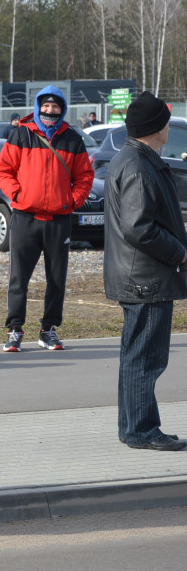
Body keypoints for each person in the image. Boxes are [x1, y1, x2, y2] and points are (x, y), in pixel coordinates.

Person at [104, 92, 187, 451]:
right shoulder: (138, 165)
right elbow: (139, 227)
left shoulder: (132, 158)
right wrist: (180, 254)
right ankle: (141, 430)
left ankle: (133, 427)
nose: (169, 125)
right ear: (158, 127)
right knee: (146, 359)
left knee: (136, 356)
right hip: (146, 279)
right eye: (166, 120)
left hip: (138, 276)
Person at [0, 86, 94, 353]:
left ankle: (48, 330)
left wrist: (73, 200)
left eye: (56, 107)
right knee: (19, 278)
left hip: (58, 221)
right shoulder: (21, 134)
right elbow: (3, 171)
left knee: (57, 278)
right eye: (46, 106)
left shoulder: (73, 139)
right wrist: (18, 193)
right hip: (25, 218)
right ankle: (14, 330)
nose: (50, 111)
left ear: (63, 109)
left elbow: (85, 176)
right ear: (39, 106)